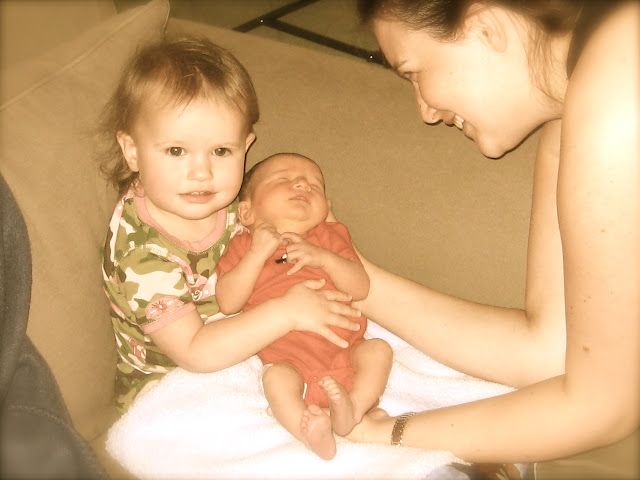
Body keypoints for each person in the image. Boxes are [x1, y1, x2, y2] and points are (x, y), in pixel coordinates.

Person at [347, 0, 639, 478]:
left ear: (485, 27)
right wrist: (356, 279)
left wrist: (387, 433)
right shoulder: (573, 109)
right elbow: (549, 350)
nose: (425, 111)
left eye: (414, 73)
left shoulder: (619, 82)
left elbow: (606, 406)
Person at [100, 37, 361, 413]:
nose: (202, 172)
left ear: (246, 145)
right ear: (133, 151)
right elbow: (195, 352)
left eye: (221, 151)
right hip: (173, 385)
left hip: (257, 347)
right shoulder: (141, 255)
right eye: (176, 151)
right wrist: (287, 311)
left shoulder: (235, 202)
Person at [215, 153, 393, 460]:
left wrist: (324, 258)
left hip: (347, 353)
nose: (302, 184)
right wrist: (257, 254)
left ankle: (353, 409)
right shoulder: (243, 245)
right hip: (290, 360)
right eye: (283, 179)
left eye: (315, 185)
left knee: (378, 350)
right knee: (275, 379)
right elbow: (228, 302)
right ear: (246, 211)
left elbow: (360, 287)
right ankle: (309, 431)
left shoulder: (330, 236)